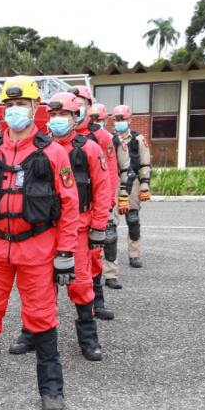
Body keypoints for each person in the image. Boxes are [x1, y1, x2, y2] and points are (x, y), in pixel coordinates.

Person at [0, 76, 79, 410]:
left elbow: (69, 205)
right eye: (9, 106)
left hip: (37, 249)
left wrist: (66, 253)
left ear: (35, 108)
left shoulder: (53, 153)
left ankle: (52, 388)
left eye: (21, 105)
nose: (14, 111)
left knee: (41, 317)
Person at [8, 92, 110, 361]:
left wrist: (99, 228)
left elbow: (101, 190)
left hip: (77, 228)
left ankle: (88, 338)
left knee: (80, 284)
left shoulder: (89, 149)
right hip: (43, 229)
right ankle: (31, 332)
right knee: (37, 286)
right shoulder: (39, 147)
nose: (56, 120)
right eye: (52, 116)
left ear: (75, 118)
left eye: (62, 115)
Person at [86, 102, 125, 318]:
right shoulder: (52, 137)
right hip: (63, 211)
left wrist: (109, 204)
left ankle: (96, 302)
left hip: (94, 205)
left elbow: (111, 171)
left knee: (95, 253)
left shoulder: (101, 138)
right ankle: (36, 323)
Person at [110, 104, 151, 272]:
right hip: (112, 182)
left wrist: (144, 185)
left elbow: (145, 164)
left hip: (132, 182)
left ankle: (134, 254)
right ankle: (108, 257)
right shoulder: (109, 139)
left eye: (123, 119)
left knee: (132, 219)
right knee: (109, 223)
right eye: (117, 120)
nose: (120, 122)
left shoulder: (138, 139)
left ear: (129, 120)